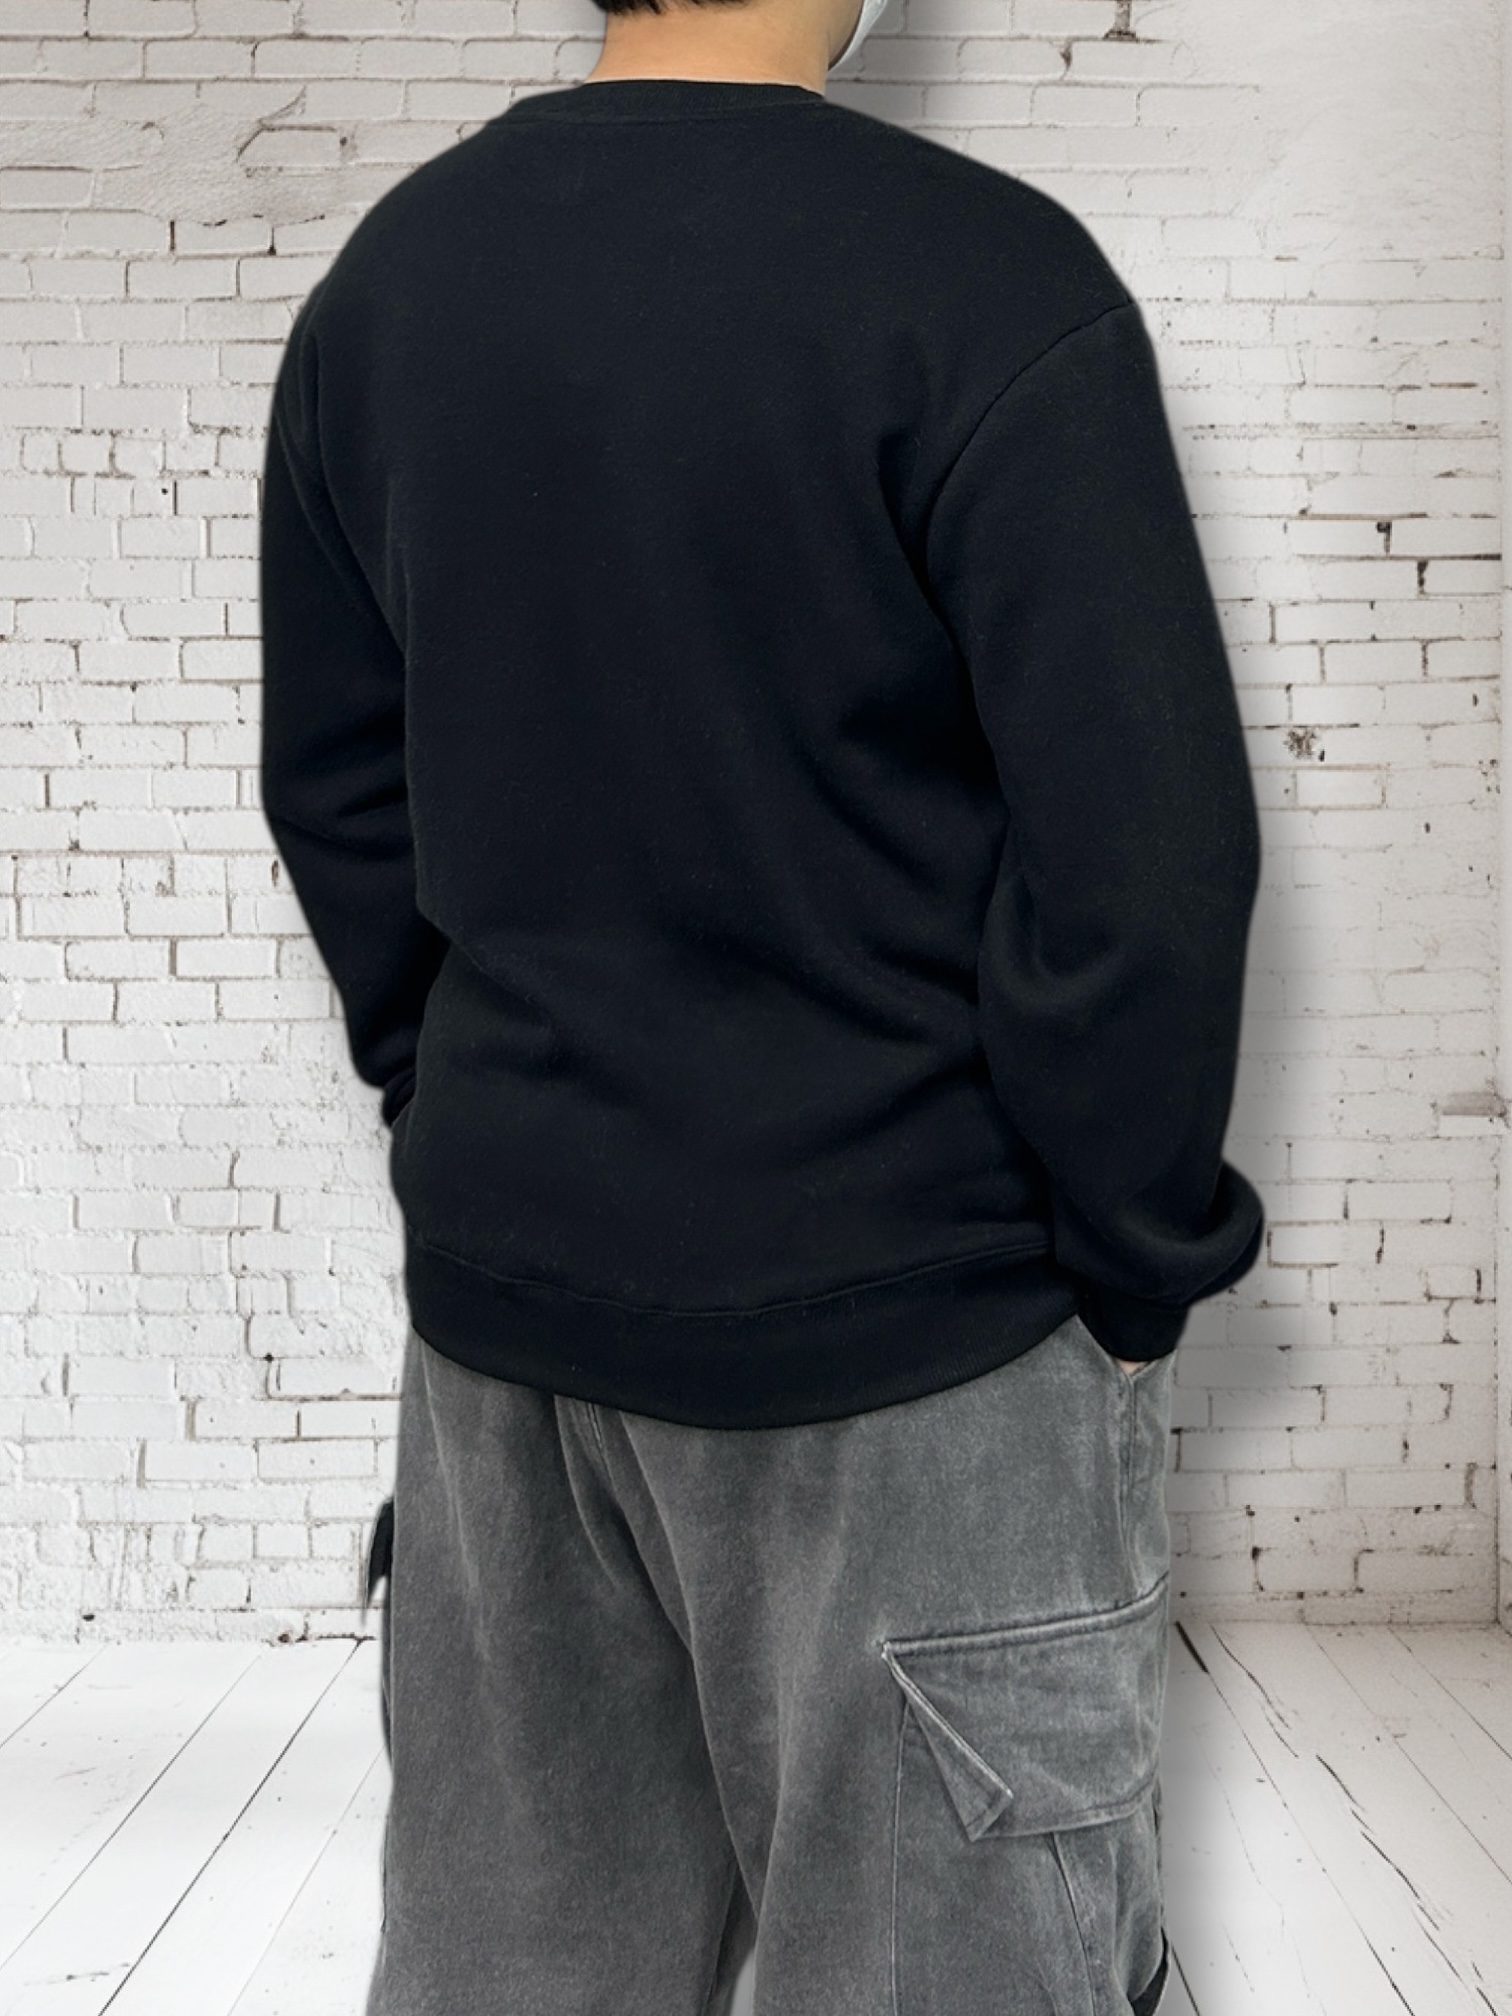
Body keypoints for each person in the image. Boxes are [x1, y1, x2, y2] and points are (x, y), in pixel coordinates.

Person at [258, 0, 1265, 2004]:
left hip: (513, 1337)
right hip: (921, 1344)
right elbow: (1144, 862)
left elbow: (342, 794)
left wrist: (462, 1115)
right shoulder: (987, 283)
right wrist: (1134, 1263)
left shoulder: (392, 284)